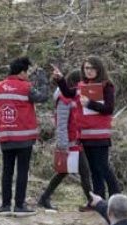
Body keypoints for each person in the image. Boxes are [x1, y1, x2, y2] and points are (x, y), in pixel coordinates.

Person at [55, 56, 121, 201]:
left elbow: (109, 108)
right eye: (86, 68)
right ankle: (99, 201)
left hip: (100, 135)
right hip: (85, 135)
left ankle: (117, 198)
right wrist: (60, 80)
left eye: (92, 68)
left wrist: (90, 104)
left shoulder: (106, 85)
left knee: (103, 167)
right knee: (94, 170)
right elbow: (67, 93)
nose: (89, 71)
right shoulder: (81, 86)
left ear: (99, 69)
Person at [0, 57, 50, 216]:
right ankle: (19, 205)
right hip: (24, 138)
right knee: (22, 171)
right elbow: (43, 98)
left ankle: (4, 205)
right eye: (27, 73)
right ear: (22, 72)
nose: (28, 76)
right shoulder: (26, 87)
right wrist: (44, 82)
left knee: (7, 171)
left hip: (5, 136)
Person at [37, 69, 94, 212]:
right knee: (77, 171)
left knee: (72, 171)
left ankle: (45, 197)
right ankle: (91, 201)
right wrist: (63, 144)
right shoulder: (64, 99)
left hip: (75, 140)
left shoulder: (72, 97)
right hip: (69, 142)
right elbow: (61, 123)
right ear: (76, 83)